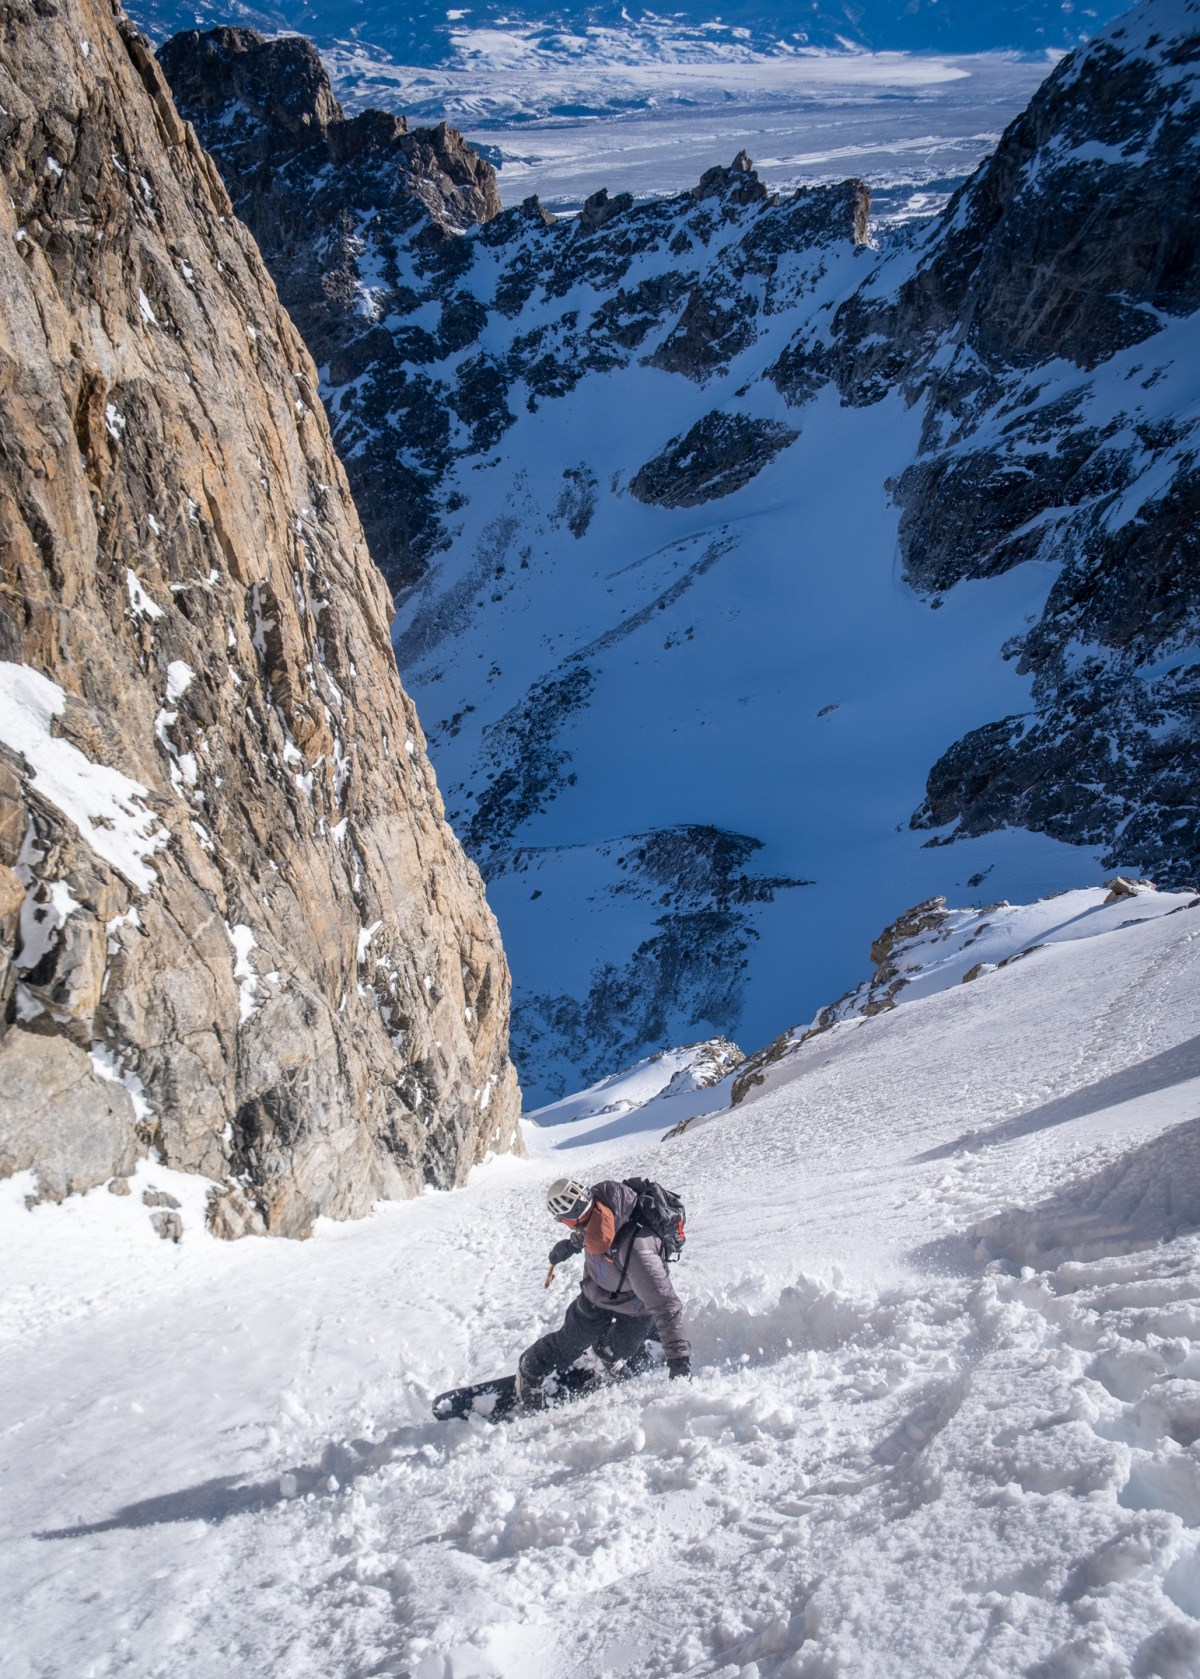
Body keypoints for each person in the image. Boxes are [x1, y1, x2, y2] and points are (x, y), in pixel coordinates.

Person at [515, 1176, 691, 1407]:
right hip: (595, 1293)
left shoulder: (639, 1251)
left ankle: (606, 1355)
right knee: (571, 1341)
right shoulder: (600, 1205)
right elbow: (590, 1231)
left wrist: (679, 1364)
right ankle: (530, 1369)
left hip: (636, 1304)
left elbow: (666, 1306)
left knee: (620, 1347)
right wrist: (569, 1246)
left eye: (565, 1222)